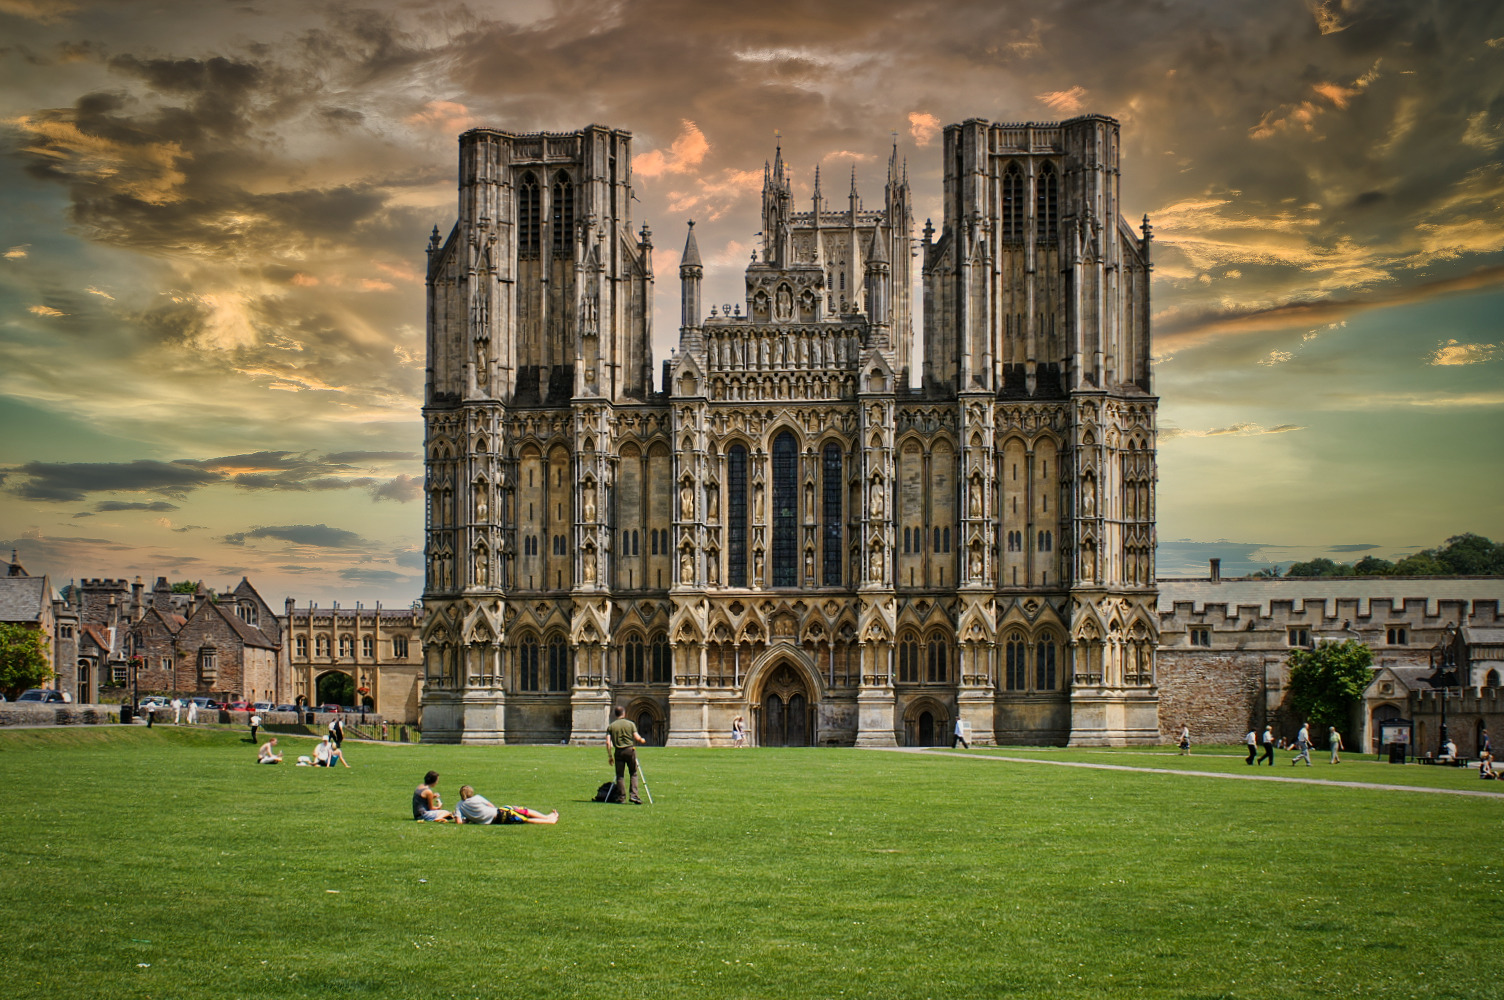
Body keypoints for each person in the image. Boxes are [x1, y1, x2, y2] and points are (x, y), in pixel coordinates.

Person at [455, 785, 557, 825]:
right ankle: (548, 820)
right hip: (499, 813)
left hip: (495, 820)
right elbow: (491, 806)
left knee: (522, 817)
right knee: (524, 813)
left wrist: (470, 819)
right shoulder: (477, 798)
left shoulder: (459, 805)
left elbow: (459, 822)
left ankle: (547, 817)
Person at [606, 705, 646, 804]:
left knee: (620, 775)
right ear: (624, 713)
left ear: (615, 714)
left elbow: (608, 743)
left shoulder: (611, 726)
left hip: (618, 752)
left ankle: (621, 797)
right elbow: (637, 737)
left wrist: (610, 756)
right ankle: (634, 796)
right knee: (633, 773)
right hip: (630, 750)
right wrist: (642, 740)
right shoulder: (630, 724)